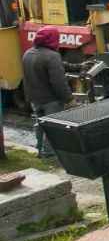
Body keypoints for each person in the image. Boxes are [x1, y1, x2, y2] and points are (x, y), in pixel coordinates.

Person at [21, 26, 72, 157]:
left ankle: (40, 148)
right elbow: (58, 82)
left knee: (39, 123)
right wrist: (68, 98)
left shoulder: (28, 53)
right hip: (51, 99)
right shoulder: (52, 56)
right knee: (52, 126)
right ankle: (49, 152)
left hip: (34, 98)